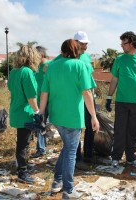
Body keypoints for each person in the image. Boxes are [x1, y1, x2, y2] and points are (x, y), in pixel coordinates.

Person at [39, 39, 99, 199]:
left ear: (63, 51)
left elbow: (44, 92)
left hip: (57, 116)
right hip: (73, 117)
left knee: (67, 148)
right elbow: (87, 93)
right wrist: (93, 116)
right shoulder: (80, 66)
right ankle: (68, 190)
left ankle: (57, 182)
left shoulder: (51, 67)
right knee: (71, 152)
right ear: (76, 51)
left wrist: (40, 113)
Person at [105, 31, 136, 168]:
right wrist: (109, 97)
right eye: (121, 43)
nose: (121, 45)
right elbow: (114, 79)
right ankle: (116, 157)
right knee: (120, 130)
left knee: (133, 131)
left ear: (132, 43)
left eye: (124, 43)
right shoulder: (119, 60)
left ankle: (131, 158)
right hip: (121, 101)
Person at [8, 44, 42, 184]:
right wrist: (37, 111)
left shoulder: (14, 72)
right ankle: (22, 172)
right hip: (25, 113)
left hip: (16, 111)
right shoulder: (27, 72)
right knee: (23, 143)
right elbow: (31, 96)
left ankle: (23, 165)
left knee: (24, 141)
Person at [73, 31, 97, 170]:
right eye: (83, 44)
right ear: (75, 43)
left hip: (89, 96)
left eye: (86, 43)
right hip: (77, 98)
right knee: (77, 127)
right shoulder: (70, 58)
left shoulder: (86, 57)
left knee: (91, 126)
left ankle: (88, 154)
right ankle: (77, 158)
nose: (85, 46)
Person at [29, 46, 49, 159]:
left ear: (41, 56)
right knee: (40, 125)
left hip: (50, 100)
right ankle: (41, 149)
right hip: (38, 101)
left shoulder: (50, 65)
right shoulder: (36, 68)